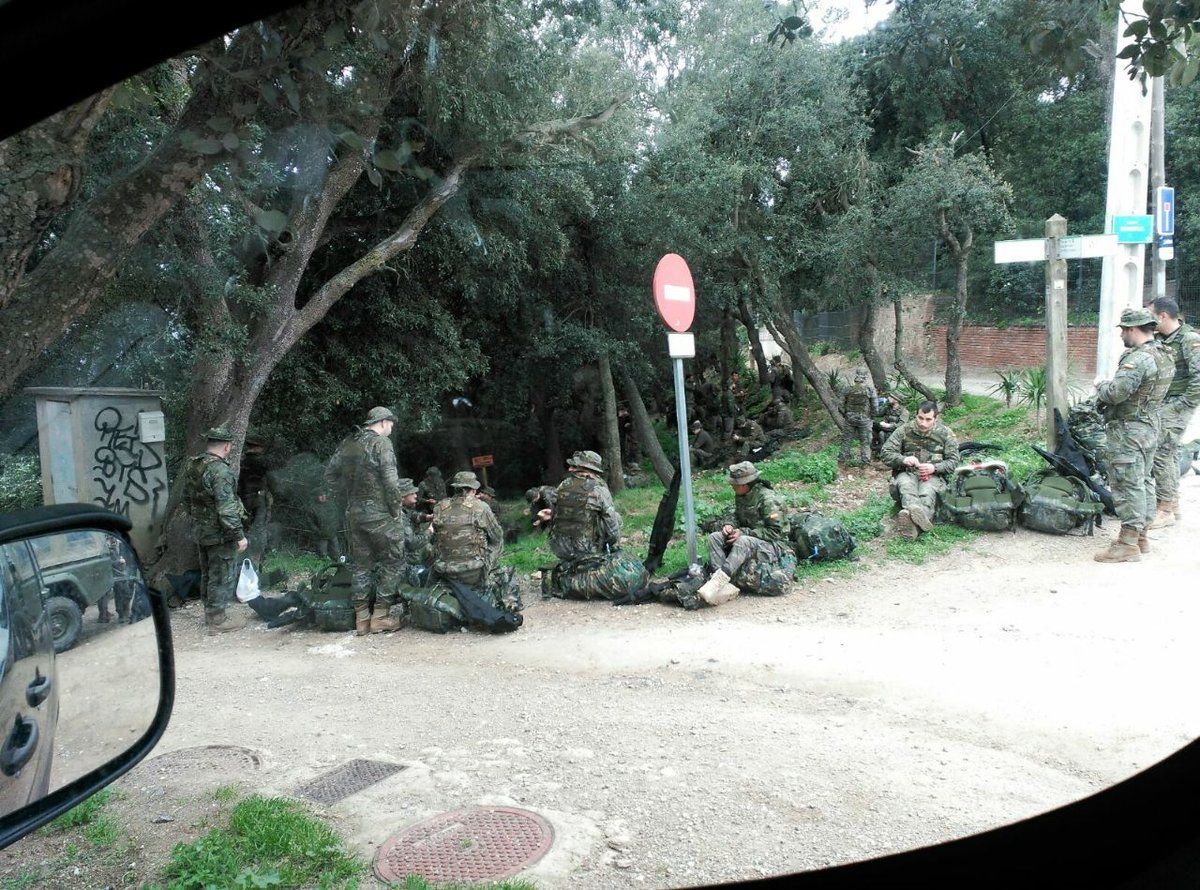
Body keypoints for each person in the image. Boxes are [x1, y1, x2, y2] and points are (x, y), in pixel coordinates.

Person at [1093, 308, 1174, 562]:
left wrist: (1100, 385)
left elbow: (1117, 393)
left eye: (1123, 330)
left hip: (1129, 429)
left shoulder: (1138, 359)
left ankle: (1127, 543)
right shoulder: (1164, 354)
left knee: (1127, 482)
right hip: (1150, 426)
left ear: (1133, 329)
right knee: (1144, 480)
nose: (1121, 335)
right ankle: (1141, 536)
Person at [322, 406, 408, 634]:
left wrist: (347, 498)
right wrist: (396, 511)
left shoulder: (348, 443)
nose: (391, 428)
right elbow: (391, 483)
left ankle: (361, 619)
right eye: (390, 424)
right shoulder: (381, 443)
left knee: (361, 566)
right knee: (394, 561)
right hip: (379, 514)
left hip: (354, 515)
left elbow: (329, 475)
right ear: (382, 422)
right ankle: (380, 615)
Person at [539, 450, 647, 600]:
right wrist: (613, 547)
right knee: (615, 517)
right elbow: (612, 528)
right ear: (593, 469)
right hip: (586, 550)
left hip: (560, 547)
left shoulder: (563, 485)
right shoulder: (598, 489)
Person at [181, 427, 249, 632]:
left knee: (208, 573)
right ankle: (218, 620)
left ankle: (210, 612)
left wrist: (200, 520)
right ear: (227, 446)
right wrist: (239, 536)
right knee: (221, 574)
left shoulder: (194, 465)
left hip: (201, 531)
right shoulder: (220, 471)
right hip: (219, 534)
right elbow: (226, 509)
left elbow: (186, 499)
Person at [430, 471, 519, 610]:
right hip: (473, 572)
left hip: (446, 571)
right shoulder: (480, 507)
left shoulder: (439, 507)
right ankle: (489, 576)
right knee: (498, 541)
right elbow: (497, 535)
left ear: (455, 488)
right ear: (473, 489)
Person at [705, 461, 794, 597]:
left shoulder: (769, 499)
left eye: (734, 484)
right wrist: (729, 525)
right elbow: (736, 514)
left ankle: (718, 581)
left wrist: (744, 532)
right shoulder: (743, 495)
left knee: (743, 541)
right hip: (751, 540)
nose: (732, 486)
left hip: (774, 545)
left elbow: (777, 532)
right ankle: (725, 586)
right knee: (714, 537)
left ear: (745, 484)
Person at [1149, 297, 1200, 527]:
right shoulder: (1159, 338)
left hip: (1178, 404)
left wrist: (1182, 405)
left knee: (1162, 451)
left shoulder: (1189, 339)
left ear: (1162, 316)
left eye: (1151, 315)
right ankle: (1173, 505)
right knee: (1166, 452)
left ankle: (1165, 508)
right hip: (1163, 403)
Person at [879, 401, 961, 539]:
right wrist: (903, 460)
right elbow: (885, 453)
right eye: (920, 418)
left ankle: (910, 522)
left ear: (936, 418)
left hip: (933, 476)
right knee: (906, 487)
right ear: (916, 415)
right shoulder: (904, 430)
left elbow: (954, 462)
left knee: (926, 493)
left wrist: (934, 467)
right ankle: (916, 519)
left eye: (928, 419)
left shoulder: (945, 433)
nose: (923, 423)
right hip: (907, 473)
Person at [840, 369, 876, 465]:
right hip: (864, 419)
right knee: (865, 441)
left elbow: (840, 405)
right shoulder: (870, 389)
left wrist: (846, 414)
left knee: (846, 440)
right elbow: (875, 406)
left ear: (856, 375)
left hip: (850, 418)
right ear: (865, 377)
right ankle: (865, 463)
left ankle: (842, 461)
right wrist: (871, 417)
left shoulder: (848, 388)